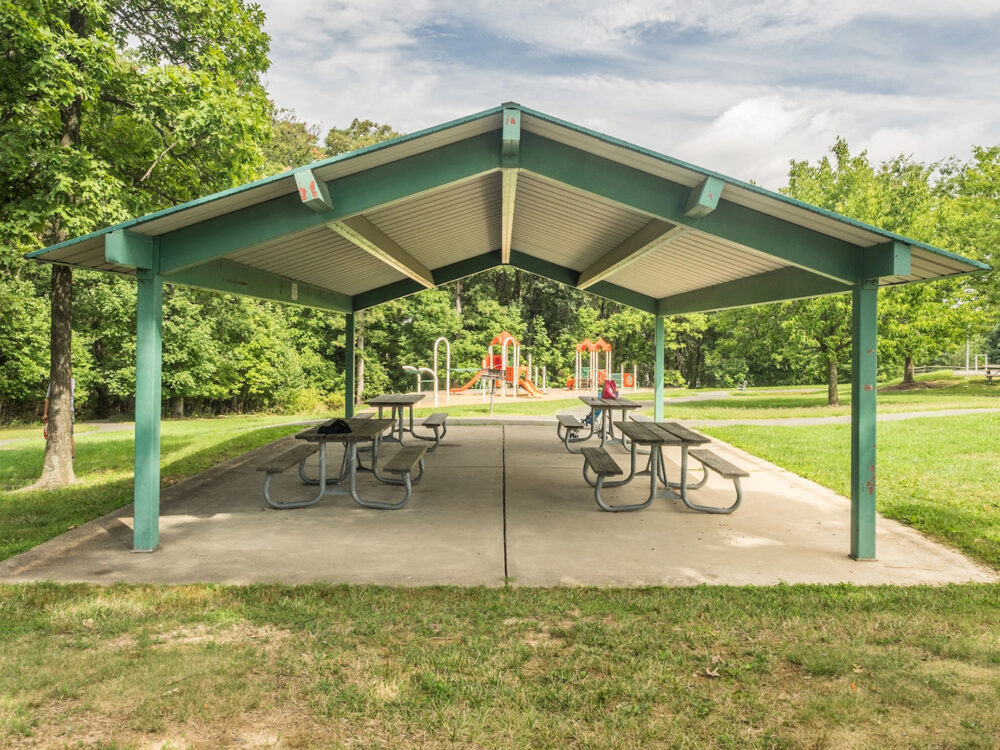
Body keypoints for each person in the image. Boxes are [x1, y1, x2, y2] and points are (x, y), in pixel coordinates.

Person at [43, 377, 75, 459]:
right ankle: (65, 457)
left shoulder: (69, 381)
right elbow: (47, 399)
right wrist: (45, 413)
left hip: (65, 411)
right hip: (61, 411)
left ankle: (70, 457)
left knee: (66, 434)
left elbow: (48, 398)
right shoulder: (69, 381)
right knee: (64, 434)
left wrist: (45, 413)